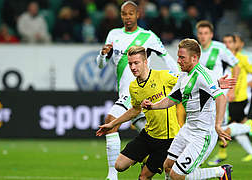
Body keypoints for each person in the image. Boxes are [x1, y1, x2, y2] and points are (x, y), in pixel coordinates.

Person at [95, 1, 180, 180]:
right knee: (153, 139)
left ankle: (112, 176)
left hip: (139, 92)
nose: (127, 17)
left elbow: (167, 58)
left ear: (138, 14)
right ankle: (172, 169)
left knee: (111, 120)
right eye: (124, 14)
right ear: (121, 15)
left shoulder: (148, 36)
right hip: (133, 95)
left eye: (131, 13)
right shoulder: (113, 34)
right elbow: (101, 65)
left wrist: (182, 77)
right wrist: (102, 55)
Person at [142, 38, 233, 180]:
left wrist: (218, 124)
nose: (178, 60)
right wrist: (153, 106)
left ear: (194, 58)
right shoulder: (184, 74)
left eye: (182, 57)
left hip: (202, 135)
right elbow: (172, 98)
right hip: (187, 129)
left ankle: (221, 172)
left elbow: (221, 98)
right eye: (178, 56)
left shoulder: (203, 75)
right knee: (168, 166)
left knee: (177, 175)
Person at [208, 34, 252, 165]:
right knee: (229, 126)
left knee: (223, 126)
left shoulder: (242, 58)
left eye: (230, 42)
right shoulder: (222, 58)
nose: (227, 45)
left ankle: (223, 152)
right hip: (226, 97)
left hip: (238, 98)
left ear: (236, 44)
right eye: (224, 42)